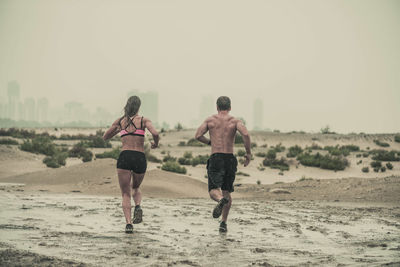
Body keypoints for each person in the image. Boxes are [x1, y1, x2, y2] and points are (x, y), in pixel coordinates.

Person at [103, 96, 159, 233]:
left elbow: (105, 136)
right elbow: (155, 133)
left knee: (125, 193)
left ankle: (128, 224)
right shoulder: (144, 120)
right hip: (139, 157)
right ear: (139, 107)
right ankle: (138, 206)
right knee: (136, 187)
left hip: (125, 156)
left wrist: (120, 130)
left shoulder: (120, 121)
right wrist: (155, 144)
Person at [195, 96, 251, 233]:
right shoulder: (235, 121)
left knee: (214, 190)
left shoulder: (210, 120)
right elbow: (245, 133)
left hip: (216, 157)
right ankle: (224, 223)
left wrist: (210, 142)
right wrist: (248, 153)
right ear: (230, 107)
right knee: (227, 191)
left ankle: (220, 200)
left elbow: (197, 135)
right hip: (229, 158)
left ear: (217, 107)